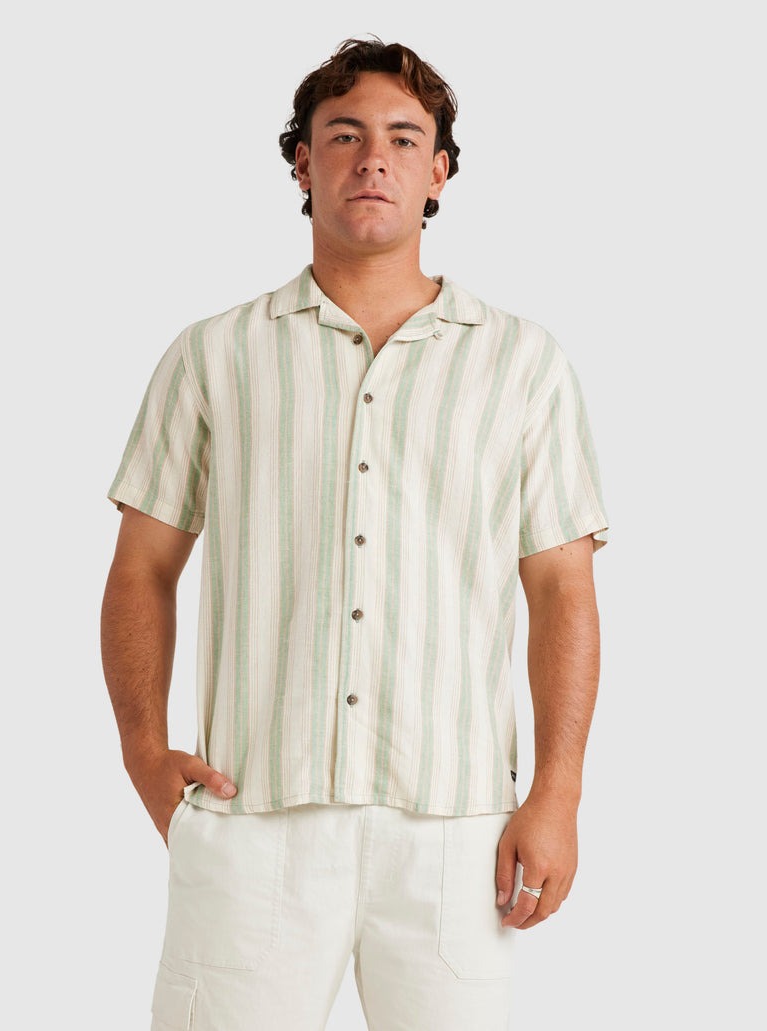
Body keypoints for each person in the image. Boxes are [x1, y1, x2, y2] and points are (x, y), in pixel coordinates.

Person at [101, 36, 609, 1031]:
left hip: (457, 833)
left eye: (403, 139)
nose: (374, 159)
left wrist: (558, 792)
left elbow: (562, 590)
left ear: (439, 172)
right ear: (303, 163)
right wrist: (142, 752)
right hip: (254, 815)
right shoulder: (214, 355)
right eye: (344, 135)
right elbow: (141, 569)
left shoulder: (522, 363)